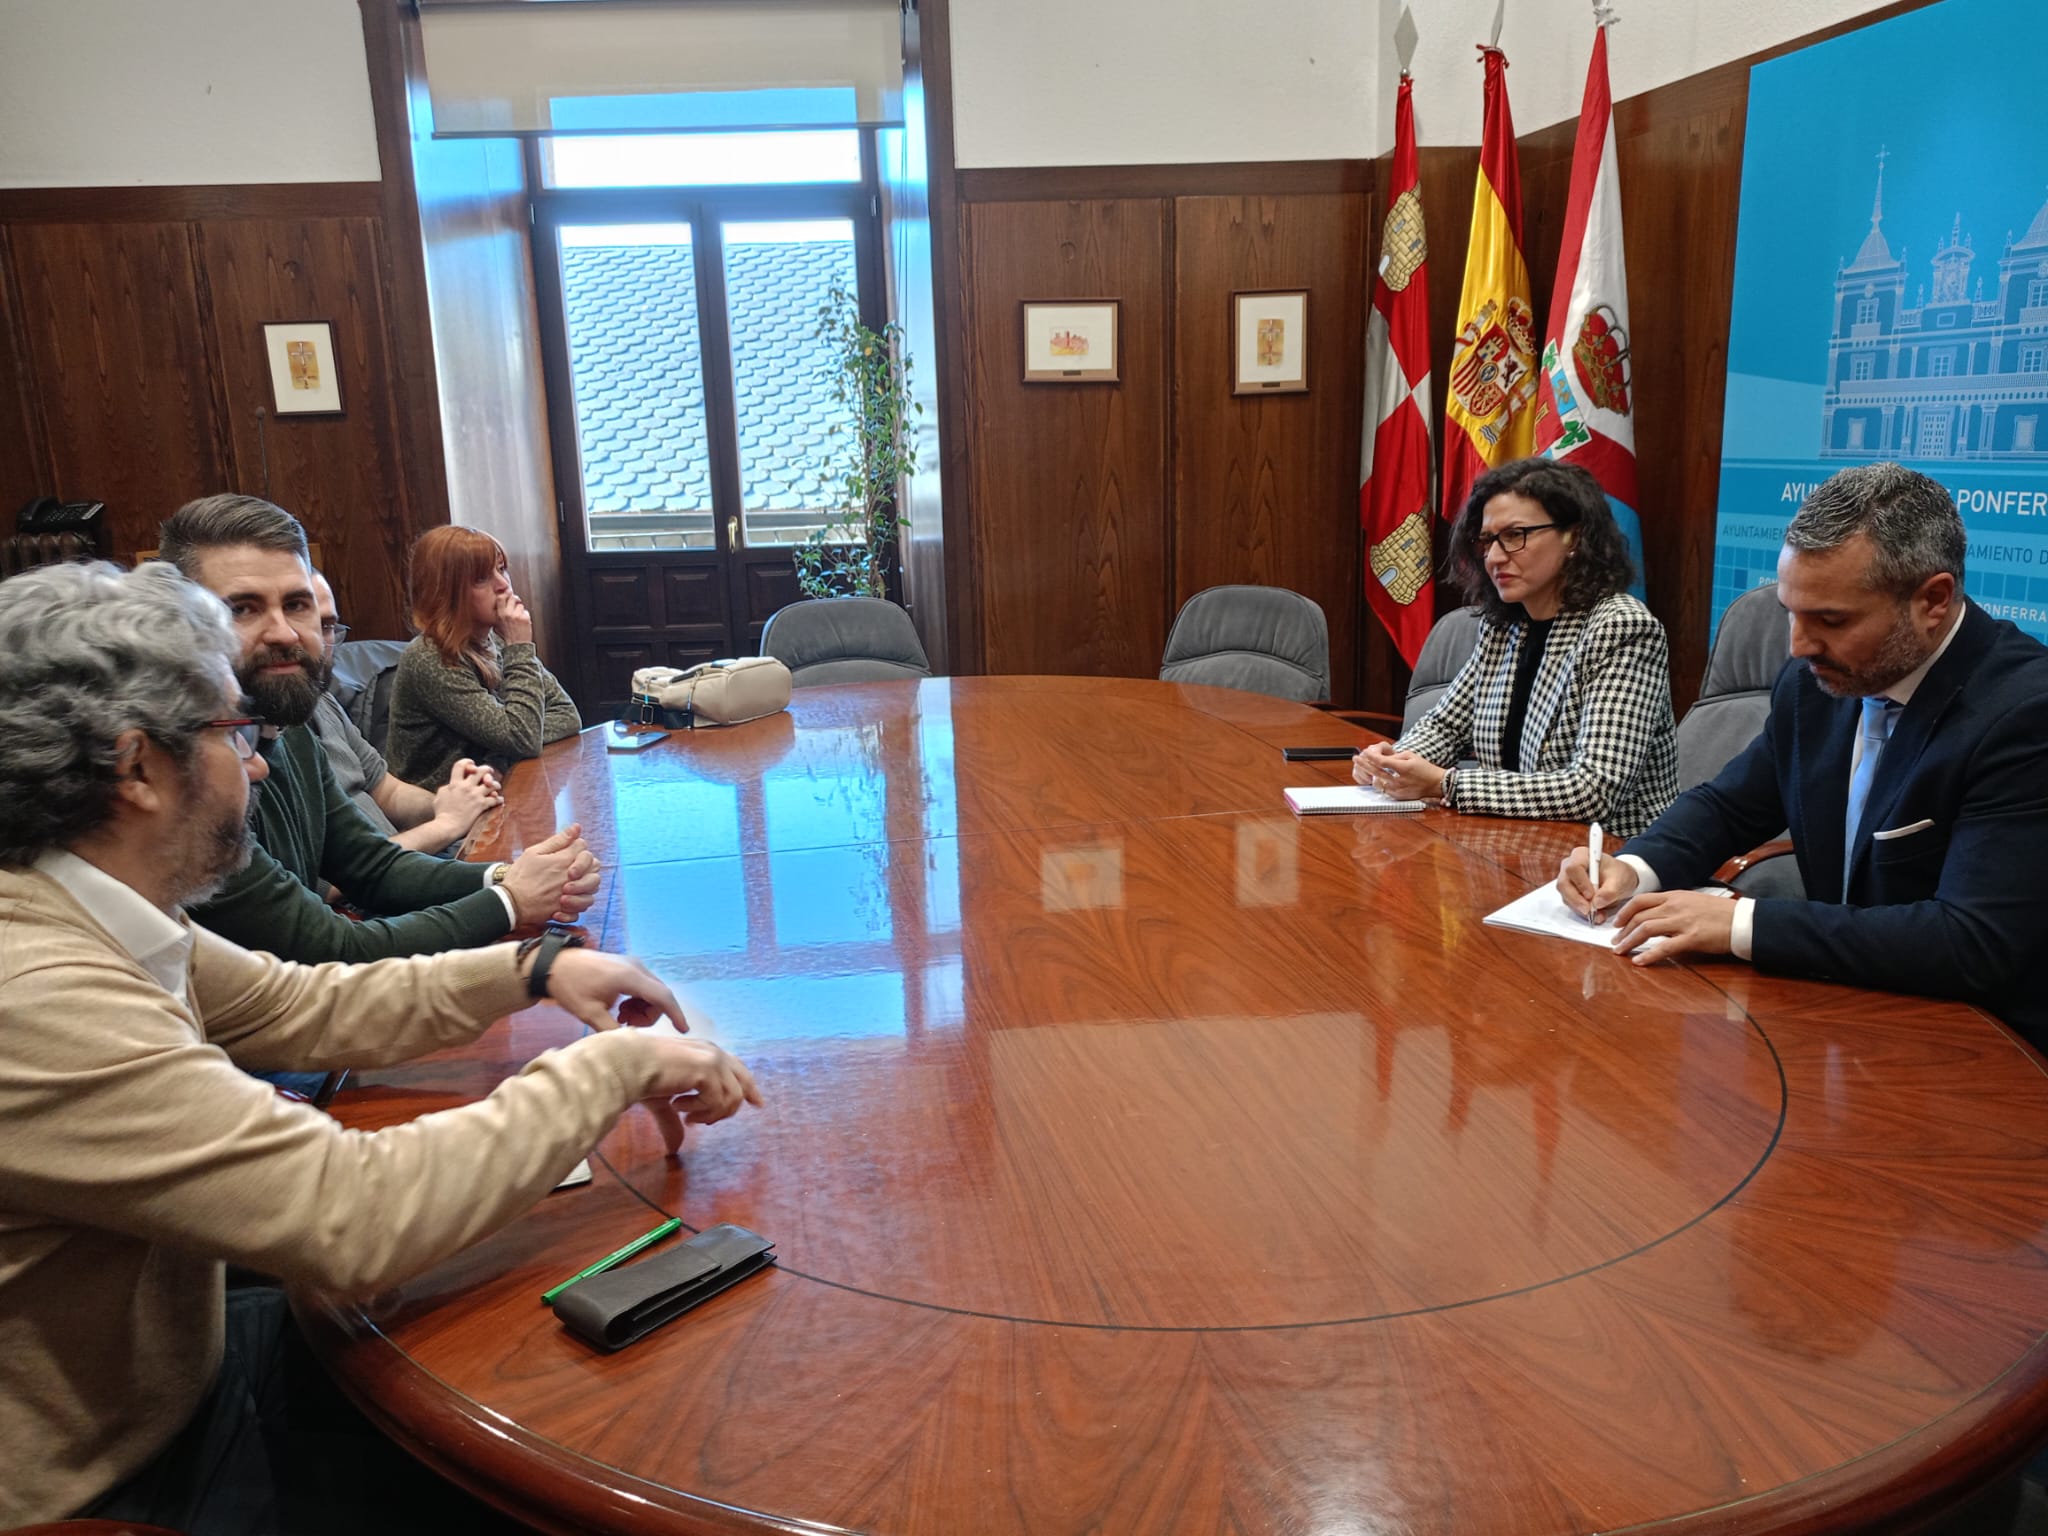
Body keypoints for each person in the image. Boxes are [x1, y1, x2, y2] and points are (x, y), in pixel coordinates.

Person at [0, 558, 760, 1531]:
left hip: (176, 1374)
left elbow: (294, 1005)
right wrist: (608, 1067)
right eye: (236, 734)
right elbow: (353, 1212)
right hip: (123, 1482)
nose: (263, 763)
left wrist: (530, 970)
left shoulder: (85, 905)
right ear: (139, 766)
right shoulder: (43, 996)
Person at [1557, 462, 2048, 1046]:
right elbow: (1730, 805)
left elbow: (1972, 941)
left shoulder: (2024, 713)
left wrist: (1742, 923)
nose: (1798, 645)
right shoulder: (1815, 680)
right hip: (1844, 1011)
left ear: (1933, 600)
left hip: (1981, 1045)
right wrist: (1633, 870)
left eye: (1831, 620)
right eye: (1791, 612)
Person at [158, 494, 598, 963]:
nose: (286, 633)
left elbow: (371, 866)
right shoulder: (183, 777)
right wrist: (510, 902)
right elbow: (329, 946)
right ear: (183, 627)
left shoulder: (288, 724)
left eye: (297, 604)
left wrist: (509, 877)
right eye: (243, 609)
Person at [1354, 457, 1679, 838]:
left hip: (1610, 859)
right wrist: (1392, 764)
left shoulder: (1621, 627)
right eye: (1488, 539)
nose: (1493, 556)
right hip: (1516, 843)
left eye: (1515, 535)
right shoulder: (1504, 626)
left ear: (1573, 537)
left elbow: (1593, 789)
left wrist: (1445, 785)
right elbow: (1445, 727)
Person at [308, 568, 500, 855]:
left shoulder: (321, 703)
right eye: (484, 576)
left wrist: (450, 802)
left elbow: (389, 791)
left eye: (326, 627)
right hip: (375, 890)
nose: (504, 586)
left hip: (402, 867)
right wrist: (447, 823)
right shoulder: (258, 748)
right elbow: (334, 882)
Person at [387, 525, 581, 789]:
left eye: (501, 569)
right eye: (481, 578)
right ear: (445, 591)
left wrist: (497, 757)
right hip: (438, 812)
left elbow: (566, 714)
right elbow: (523, 738)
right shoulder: (430, 657)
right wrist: (520, 647)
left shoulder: (497, 640)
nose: (503, 585)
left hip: (491, 792)